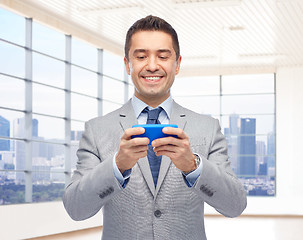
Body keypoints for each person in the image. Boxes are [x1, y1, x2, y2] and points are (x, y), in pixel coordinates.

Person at [63, 15, 247, 240]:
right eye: (141, 56)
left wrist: (193, 166)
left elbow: (235, 205)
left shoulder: (207, 129)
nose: (152, 66)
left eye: (163, 56)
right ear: (127, 64)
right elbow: (75, 208)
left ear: (177, 64)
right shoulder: (97, 130)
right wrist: (117, 166)